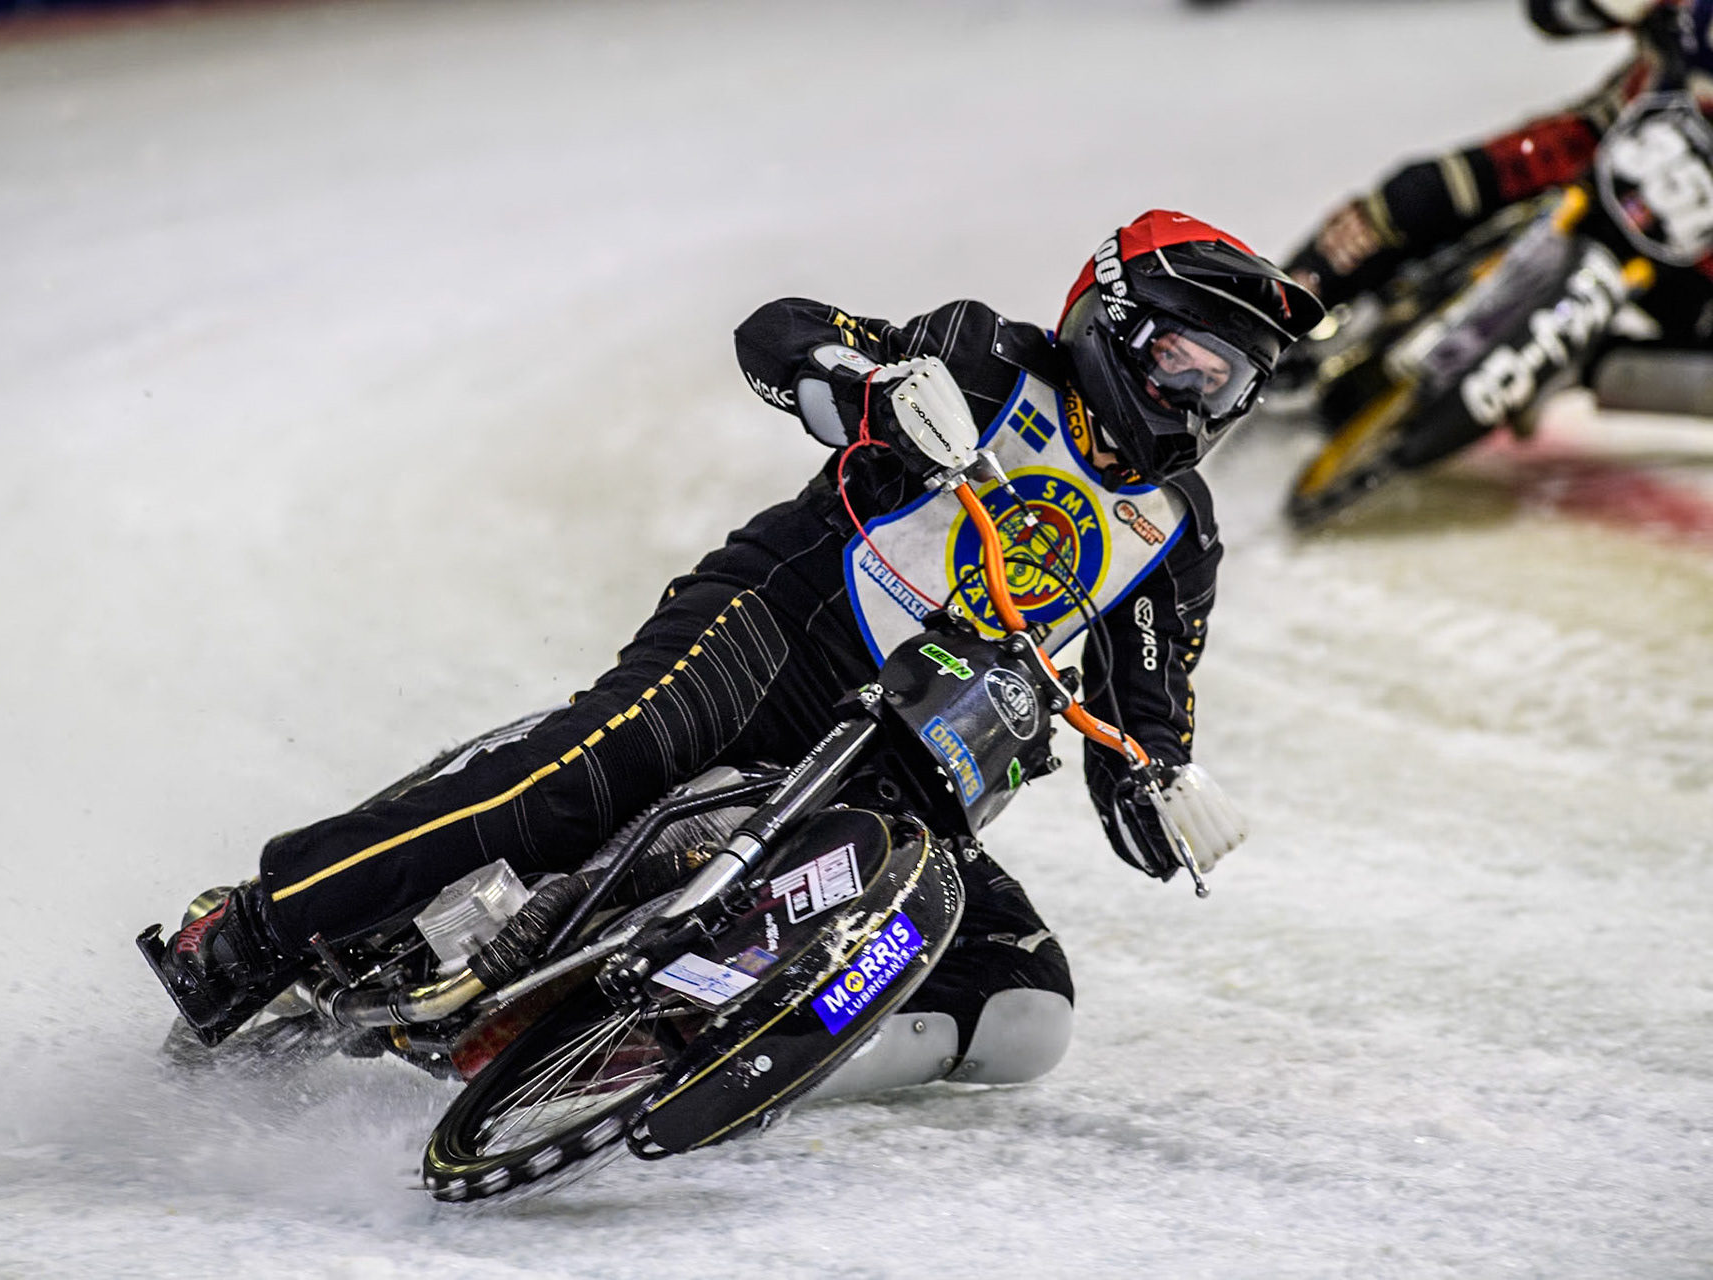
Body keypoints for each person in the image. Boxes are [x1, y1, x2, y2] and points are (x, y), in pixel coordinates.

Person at [146, 210, 1322, 1086]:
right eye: (1187, 363)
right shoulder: (985, 357)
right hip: (774, 634)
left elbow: (1141, 722)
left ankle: (669, 1053)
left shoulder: (1178, 533)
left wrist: (1163, 797)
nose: (1201, 405)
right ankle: (253, 921)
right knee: (572, 784)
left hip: (907, 770)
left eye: (1233, 386)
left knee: (1022, 1010)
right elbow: (782, 332)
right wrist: (864, 383)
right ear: (1113, 323)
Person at [1286, 0, 1713, 350]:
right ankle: (1273, 314)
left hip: (1693, 243)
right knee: (1416, 196)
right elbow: (1557, 14)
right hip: (1593, 148)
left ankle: (1583, 364)